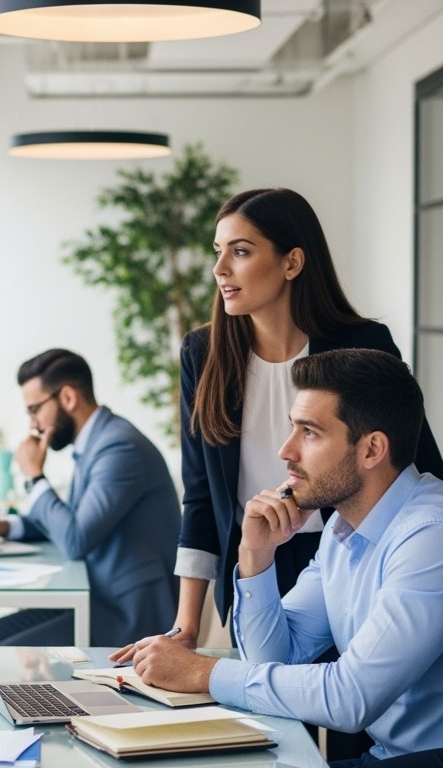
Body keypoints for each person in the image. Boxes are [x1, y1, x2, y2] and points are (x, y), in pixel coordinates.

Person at [125, 349, 443, 766]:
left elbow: (350, 698)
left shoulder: (429, 536)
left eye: (309, 432)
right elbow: (273, 659)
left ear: (371, 450)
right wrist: (255, 554)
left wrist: (201, 671)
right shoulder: (341, 530)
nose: (285, 451)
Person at [163, 188, 443, 652]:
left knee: (345, 707)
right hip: (257, 561)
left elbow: (415, 462)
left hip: (349, 557)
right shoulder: (203, 353)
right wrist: (185, 628)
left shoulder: (363, 344)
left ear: (292, 262)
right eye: (218, 252)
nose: (220, 270)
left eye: (241, 251)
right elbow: (200, 499)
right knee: (266, 705)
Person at [0, 348, 180, 647]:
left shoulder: (119, 448)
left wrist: (34, 477)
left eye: (34, 410)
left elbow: (75, 539)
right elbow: (73, 521)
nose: (32, 424)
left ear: (67, 398)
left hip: (128, 613)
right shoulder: (97, 441)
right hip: (96, 595)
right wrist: (5, 527)